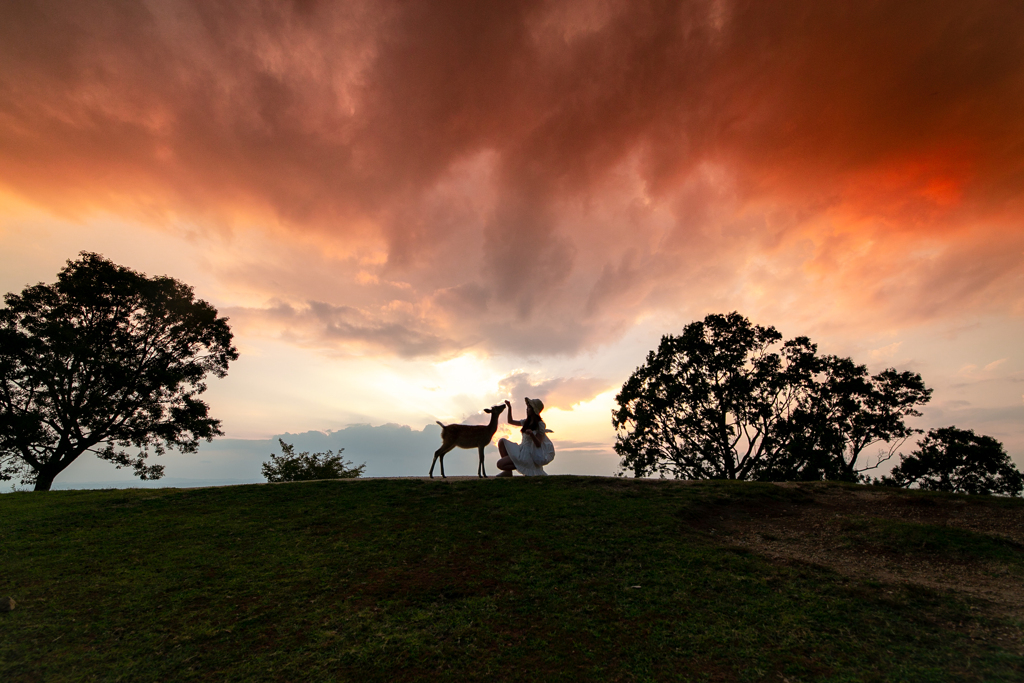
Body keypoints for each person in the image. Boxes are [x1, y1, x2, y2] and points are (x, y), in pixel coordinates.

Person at [495, 397, 555, 476]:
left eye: (529, 407)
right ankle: (508, 471)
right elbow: (510, 421)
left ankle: (525, 466)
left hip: (528, 454)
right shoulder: (526, 422)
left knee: (500, 464)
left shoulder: (540, 424)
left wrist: (532, 435)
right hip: (521, 449)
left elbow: (538, 444)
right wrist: (509, 408)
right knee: (502, 441)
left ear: (534, 410)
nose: (527, 409)